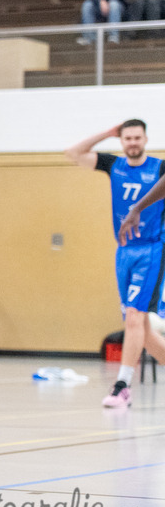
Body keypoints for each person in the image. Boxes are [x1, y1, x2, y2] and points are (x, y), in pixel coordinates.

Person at [67, 120, 165, 408]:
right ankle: (123, 384)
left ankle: (122, 386)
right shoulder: (114, 165)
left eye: (137, 137)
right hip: (124, 252)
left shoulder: (159, 168)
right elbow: (73, 153)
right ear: (122, 141)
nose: (132, 142)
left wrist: (138, 209)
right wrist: (106, 133)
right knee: (142, 331)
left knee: (134, 317)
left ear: (146, 138)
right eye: (127, 138)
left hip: (151, 250)